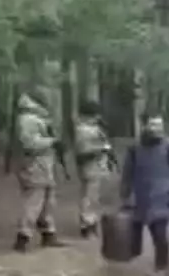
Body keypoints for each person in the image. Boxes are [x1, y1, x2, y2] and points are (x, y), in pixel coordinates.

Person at [120, 115, 169, 276]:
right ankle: (164, 264)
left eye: (158, 125)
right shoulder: (135, 148)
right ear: (145, 126)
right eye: (152, 124)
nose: (155, 128)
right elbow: (127, 173)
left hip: (164, 195)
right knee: (151, 230)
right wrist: (125, 194)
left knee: (160, 232)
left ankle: (162, 268)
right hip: (143, 196)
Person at [13, 93, 65, 252]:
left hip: (44, 165)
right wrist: (52, 142)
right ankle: (23, 237)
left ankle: (48, 233)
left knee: (48, 202)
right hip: (34, 165)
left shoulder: (37, 118)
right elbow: (29, 143)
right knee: (34, 202)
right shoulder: (27, 119)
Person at [73, 100, 113, 238]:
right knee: (89, 197)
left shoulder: (93, 128)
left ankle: (91, 221)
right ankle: (87, 224)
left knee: (93, 196)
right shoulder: (84, 130)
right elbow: (83, 150)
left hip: (96, 166)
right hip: (90, 166)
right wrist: (102, 149)